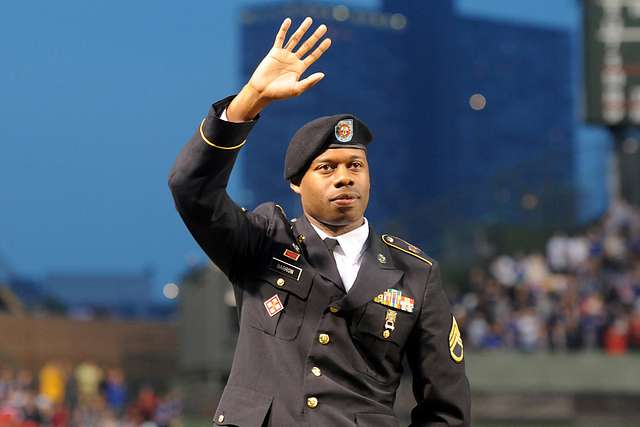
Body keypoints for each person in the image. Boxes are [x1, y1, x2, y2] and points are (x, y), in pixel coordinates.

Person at [169, 16, 470, 427]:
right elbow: (191, 189)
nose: (344, 176)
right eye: (326, 168)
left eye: (355, 165)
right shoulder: (262, 242)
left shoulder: (415, 273)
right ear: (296, 183)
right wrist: (249, 100)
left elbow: (446, 408)